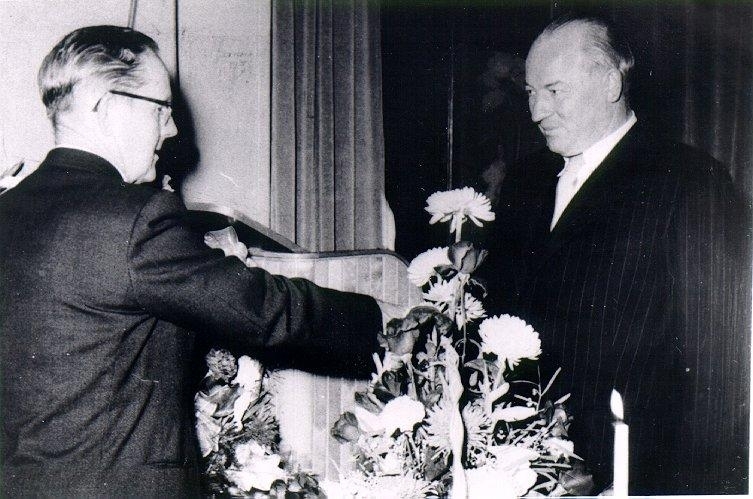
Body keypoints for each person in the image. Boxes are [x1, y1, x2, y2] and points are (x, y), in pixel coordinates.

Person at [0, 25, 404, 497]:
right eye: (161, 108)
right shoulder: (135, 218)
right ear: (104, 104)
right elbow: (263, 309)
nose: (171, 129)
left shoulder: (9, 210)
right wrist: (383, 319)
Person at [482, 15, 751, 495]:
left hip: (636, 472)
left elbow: (721, 362)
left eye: (554, 91)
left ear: (611, 83)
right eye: (530, 93)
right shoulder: (523, 183)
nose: (536, 111)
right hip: (517, 464)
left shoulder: (688, 180)